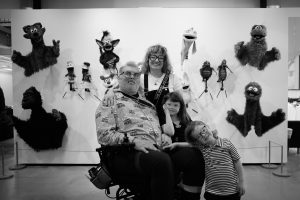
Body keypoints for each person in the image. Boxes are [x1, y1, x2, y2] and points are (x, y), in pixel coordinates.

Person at [96, 61, 204, 200]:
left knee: (194, 156)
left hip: (156, 148)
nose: (132, 76)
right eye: (127, 73)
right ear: (119, 77)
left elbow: (159, 125)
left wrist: (164, 135)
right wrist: (134, 141)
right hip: (126, 152)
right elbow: (104, 135)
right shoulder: (110, 101)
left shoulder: (148, 104)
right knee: (160, 161)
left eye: (135, 74)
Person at [102, 44, 183, 125]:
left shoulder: (173, 78)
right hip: (150, 123)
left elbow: (180, 102)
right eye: (153, 57)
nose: (157, 60)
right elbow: (121, 88)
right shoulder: (140, 78)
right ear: (148, 59)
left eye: (161, 57)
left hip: (171, 122)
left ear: (165, 60)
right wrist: (110, 92)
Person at [165, 121, 245, 200]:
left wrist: (241, 182)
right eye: (199, 136)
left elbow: (237, 161)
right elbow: (190, 144)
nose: (203, 135)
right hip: (212, 192)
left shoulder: (226, 143)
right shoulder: (202, 147)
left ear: (208, 127)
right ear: (197, 142)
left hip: (232, 191)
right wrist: (177, 144)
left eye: (203, 130)